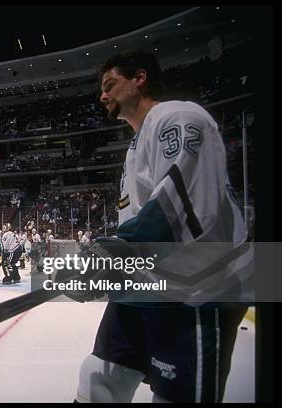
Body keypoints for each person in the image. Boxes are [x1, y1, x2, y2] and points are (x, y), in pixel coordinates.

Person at [74, 50, 250, 403]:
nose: (102, 95)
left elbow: (178, 204)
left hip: (199, 290)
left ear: (139, 78)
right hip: (146, 289)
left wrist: (116, 252)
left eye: (110, 84)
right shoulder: (133, 149)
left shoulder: (178, 116)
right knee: (98, 377)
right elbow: (140, 220)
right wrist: (113, 267)